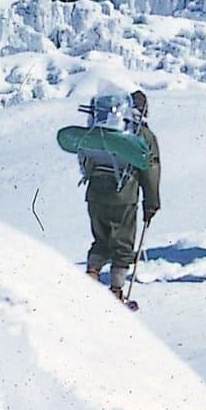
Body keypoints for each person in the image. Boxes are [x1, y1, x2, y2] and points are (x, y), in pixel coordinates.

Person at [79, 91, 160, 303]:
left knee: (101, 240)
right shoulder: (142, 134)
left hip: (95, 193)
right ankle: (115, 292)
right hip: (123, 196)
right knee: (123, 246)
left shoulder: (100, 129)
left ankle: (91, 276)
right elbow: (150, 170)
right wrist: (151, 203)